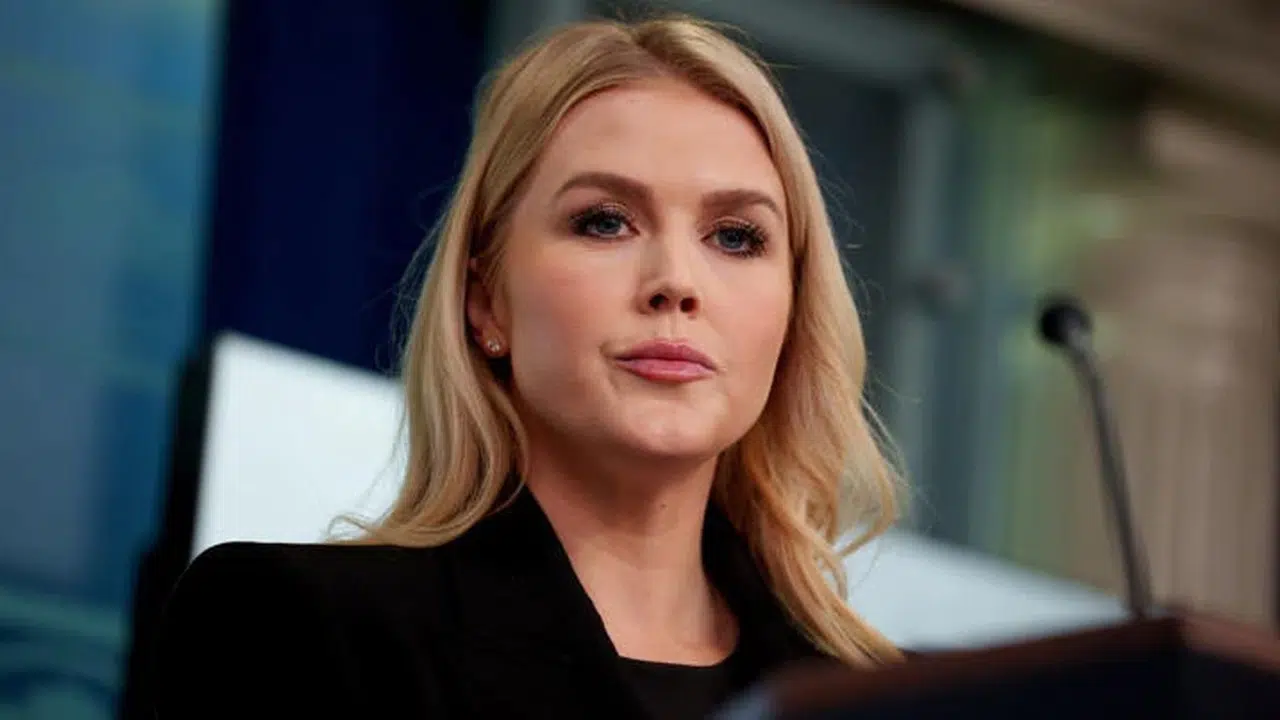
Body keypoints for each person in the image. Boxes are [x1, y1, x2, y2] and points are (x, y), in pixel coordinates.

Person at [154, 14, 905, 720]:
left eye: (736, 237)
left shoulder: (880, 700)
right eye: (604, 222)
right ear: (486, 302)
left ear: (793, 310)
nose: (676, 282)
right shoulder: (292, 623)